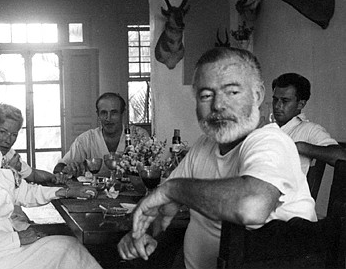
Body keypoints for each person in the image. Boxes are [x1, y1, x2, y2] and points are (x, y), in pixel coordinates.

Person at [117, 47, 316, 269]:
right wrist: (142, 234)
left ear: (257, 96)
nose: (218, 105)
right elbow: (163, 206)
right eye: (206, 95)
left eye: (232, 92)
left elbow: (251, 207)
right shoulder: (204, 145)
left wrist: (173, 189)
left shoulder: (270, 142)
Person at [0, 84, 100, 269]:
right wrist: (18, 238)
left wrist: (62, 192)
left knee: (69, 247)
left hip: (5, 245)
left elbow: (22, 191)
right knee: (66, 250)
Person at [53, 92, 149, 177]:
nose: (108, 118)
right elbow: (58, 169)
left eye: (114, 113)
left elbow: (151, 168)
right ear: (98, 115)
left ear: (123, 113)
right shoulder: (86, 140)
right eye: (103, 113)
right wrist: (69, 169)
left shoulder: (138, 136)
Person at [271, 72, 346, 174]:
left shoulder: (309, 129)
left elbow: (342, 156)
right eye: (275, 100)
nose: (277, 106)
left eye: (285, 101)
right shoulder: (268, 128)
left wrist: (301, 147)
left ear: (300, 104)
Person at [0, 103, 68, 185]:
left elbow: (32, 174)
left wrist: (54, 177)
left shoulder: (9, 154)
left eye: (14, 135)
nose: (8, 140)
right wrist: (11, 172)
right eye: (3, 132)